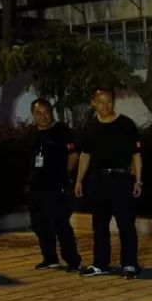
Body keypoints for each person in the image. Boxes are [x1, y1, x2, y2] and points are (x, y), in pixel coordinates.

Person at [74, 87, 143, 279]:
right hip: (99, 181)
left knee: (126, 225)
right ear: (93, 103)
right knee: (100, 225)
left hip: (121, 180)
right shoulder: (90, 126)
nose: (106, 106)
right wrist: (79, 180)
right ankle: (100, 263)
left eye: (109, 101)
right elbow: (85, 155)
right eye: (101, 102)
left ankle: (129, 264)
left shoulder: (126, 124)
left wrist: (138, 180)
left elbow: (136, 155)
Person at [28, 98, 82, 271]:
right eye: (38, 114)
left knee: (60, 223)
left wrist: (62, 175)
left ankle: (73, 261)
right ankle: (50, 257)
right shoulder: (35, 134)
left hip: (56, 185)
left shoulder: (61, 132)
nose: (43, 117)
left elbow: (73, 156)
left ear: (51, 113)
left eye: (46, 113)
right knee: (39, 223)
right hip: (37, 187)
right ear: (33, 115)